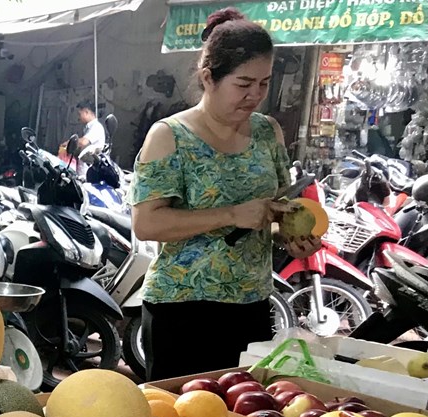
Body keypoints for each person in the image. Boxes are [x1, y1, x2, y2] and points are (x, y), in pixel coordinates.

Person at [129, 7, 320, 380]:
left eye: (264, 83)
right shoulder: (169, 136)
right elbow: (147, 223)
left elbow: (273, 213)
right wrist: (231, 214)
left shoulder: (269, 133)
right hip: (182, 310)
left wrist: (290, 238)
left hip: (251, 305)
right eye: (243, 83)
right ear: (209, 78)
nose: (255, 95)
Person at [74, 101, 106, 176]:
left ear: (86, 112)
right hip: (84, 169)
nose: (79, 117)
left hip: (89, 172)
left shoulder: (96, 127)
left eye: (80, 114)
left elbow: (83, 142)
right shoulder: (88, 127)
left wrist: (70, 143)